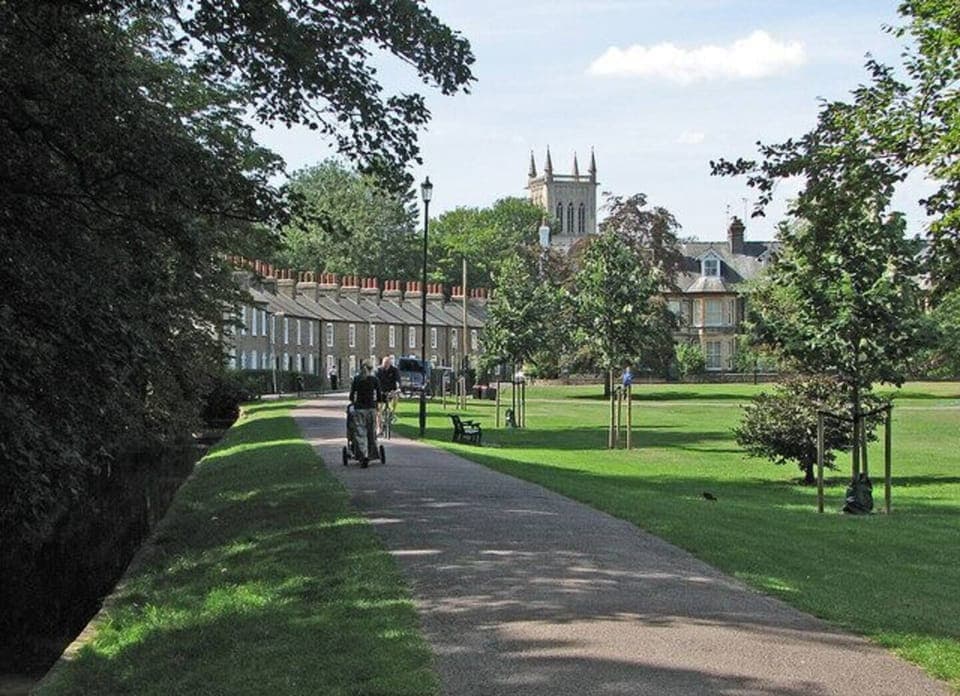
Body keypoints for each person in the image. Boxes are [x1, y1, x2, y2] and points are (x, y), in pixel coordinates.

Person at [349, 360, 381, 466]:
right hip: (371, 409)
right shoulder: (375, 379)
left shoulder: (357, 379)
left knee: (360, 432)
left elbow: (351, 395)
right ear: (372, 369)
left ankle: (364, 454)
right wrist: (378, 404)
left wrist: (353, 402)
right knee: (371, 433)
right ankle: (372, 453)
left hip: (359, 409)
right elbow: (379, 396)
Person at [376, 355, 401, 433]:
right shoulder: (378, 370)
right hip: (381, 392)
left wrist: (397, 388)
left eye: (387, 363)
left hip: (391, 391)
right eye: (384, 363)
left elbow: (398, 381)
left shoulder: (394, 370)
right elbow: (375, 381)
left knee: (396, 396)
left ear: (390, 363)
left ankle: (393, 412)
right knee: (379, 410)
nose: (386, 365)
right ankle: (379, 427)